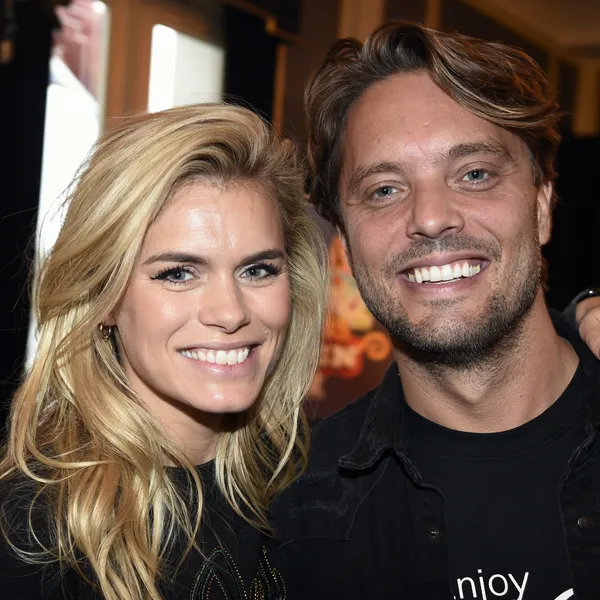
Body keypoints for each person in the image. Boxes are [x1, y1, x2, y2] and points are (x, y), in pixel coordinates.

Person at [269, 21, 600, 600]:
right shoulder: (292, 520)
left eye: (474, 174)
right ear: (344, 237)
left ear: (542, 206)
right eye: (384, 189)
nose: (430, 217)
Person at [0, 104, 327, 600]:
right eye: (178, 273)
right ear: (104, 296)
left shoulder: (315, 485)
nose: (230, 312)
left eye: (257, 270)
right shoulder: (33, 531)